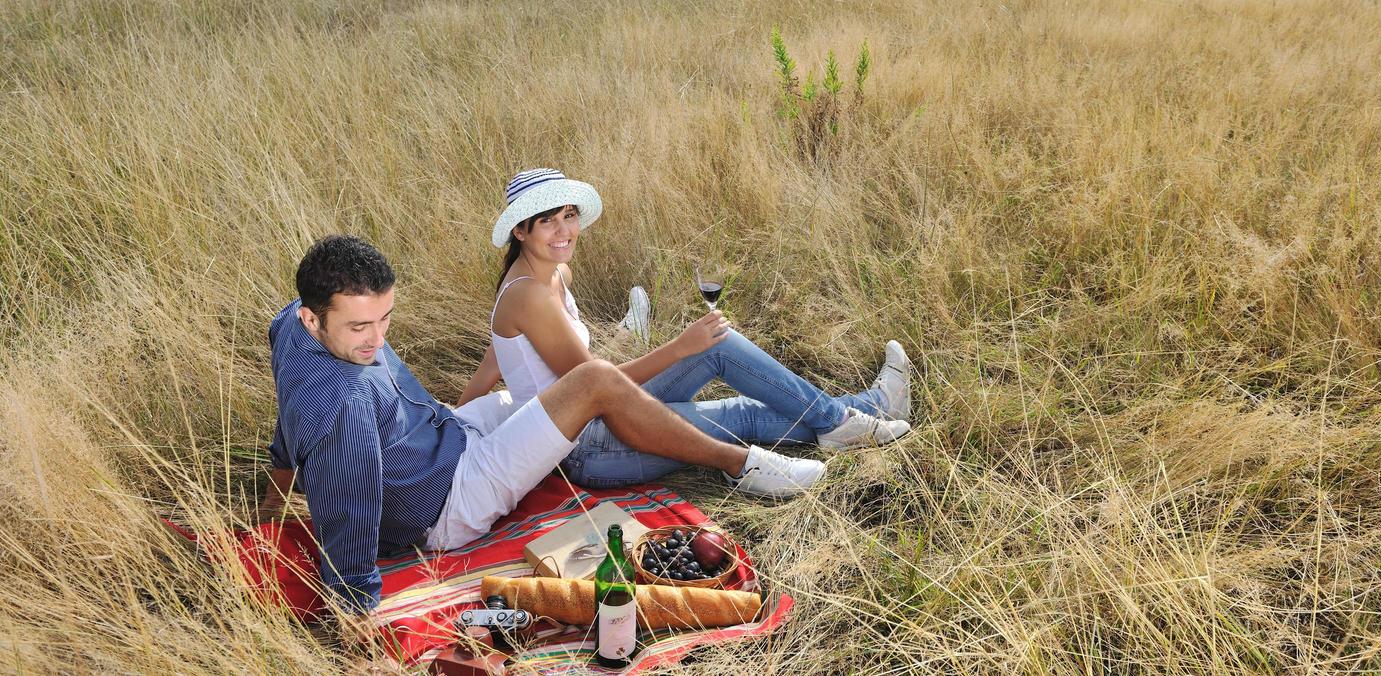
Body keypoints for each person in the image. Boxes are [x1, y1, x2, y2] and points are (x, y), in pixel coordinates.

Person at [263, 235, 827, 619]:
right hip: (453, 496)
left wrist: (268, 507)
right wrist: (357, 621)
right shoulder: (343, 406)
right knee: (595, 383)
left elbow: (291, 425)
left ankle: (829, 414)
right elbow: (347, 516)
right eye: (361, 327)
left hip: (453, 429)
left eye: (385, 318)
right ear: (315, 318)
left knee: (565, 391)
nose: (378, 340)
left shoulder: (290, 325)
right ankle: (740, 464)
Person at [458, 168, 913, 489]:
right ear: (520, 231)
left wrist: (453, 424)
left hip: (612, 411)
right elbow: (597, 384)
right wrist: (677, 348)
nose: (564, 231)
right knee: (739, 413)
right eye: (547, 222)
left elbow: (490, 368)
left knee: (718, 341)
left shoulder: (555, 274)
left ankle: (845, 417)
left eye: (568, 216)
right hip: (587, 447)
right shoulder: (528, 296)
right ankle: (861, 413)